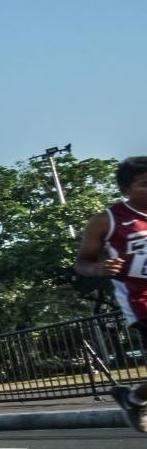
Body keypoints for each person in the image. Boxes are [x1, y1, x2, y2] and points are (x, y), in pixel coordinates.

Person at [73, 155, 147, 433]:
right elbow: (82, 262)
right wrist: (98, 268)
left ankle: (133, 398)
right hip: (141, 301)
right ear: (126, 189)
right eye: (145, 184)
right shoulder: (108, 220)